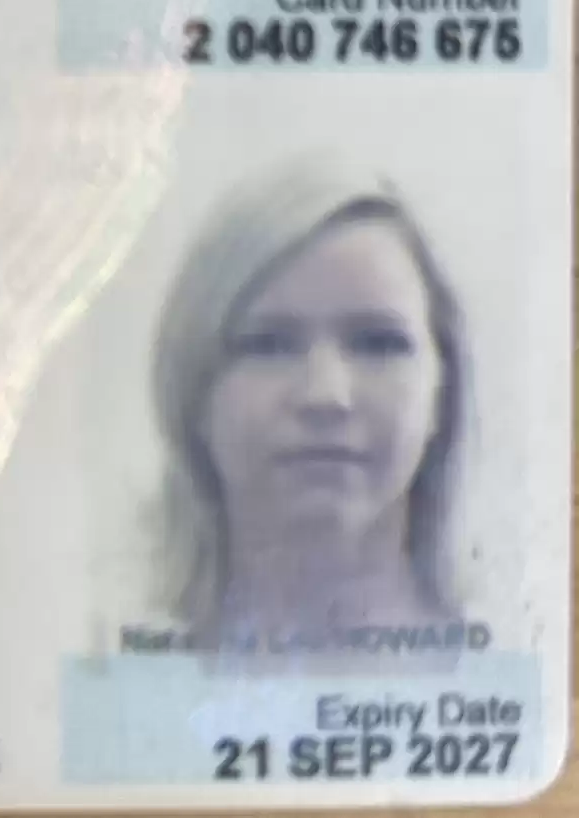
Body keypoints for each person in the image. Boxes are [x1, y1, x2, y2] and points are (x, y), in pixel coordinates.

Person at [150, 157, 470, 669]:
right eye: (268, 344)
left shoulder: (518, 671)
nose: (326, 395)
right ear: (195, 397)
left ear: (442, 392)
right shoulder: (111, 672)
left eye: (378, 343)